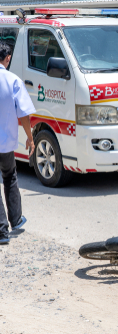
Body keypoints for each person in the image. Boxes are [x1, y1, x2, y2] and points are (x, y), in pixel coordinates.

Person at [0, 42, 36, 245]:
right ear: (8, 58)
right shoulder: (13, 80)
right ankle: (15, 220)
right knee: (9, 177)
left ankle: (1, 232)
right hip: (5, 144)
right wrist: (30, 139)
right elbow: (23, 114)